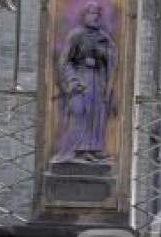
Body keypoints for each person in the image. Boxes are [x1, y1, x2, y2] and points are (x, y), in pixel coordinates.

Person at [52, 1, 117, 163]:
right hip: (81, 76)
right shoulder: (76, 35)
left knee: (97, 114)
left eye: (98, 15)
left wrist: (105, 53)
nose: (96, 17)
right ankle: (78, 150)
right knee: (81, 112)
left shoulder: (104, 37)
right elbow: (65, 60)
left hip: (98, 78)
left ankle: (93, 148)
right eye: (92, 14)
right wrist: (72, 81)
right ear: (85, 15)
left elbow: (112, 57)